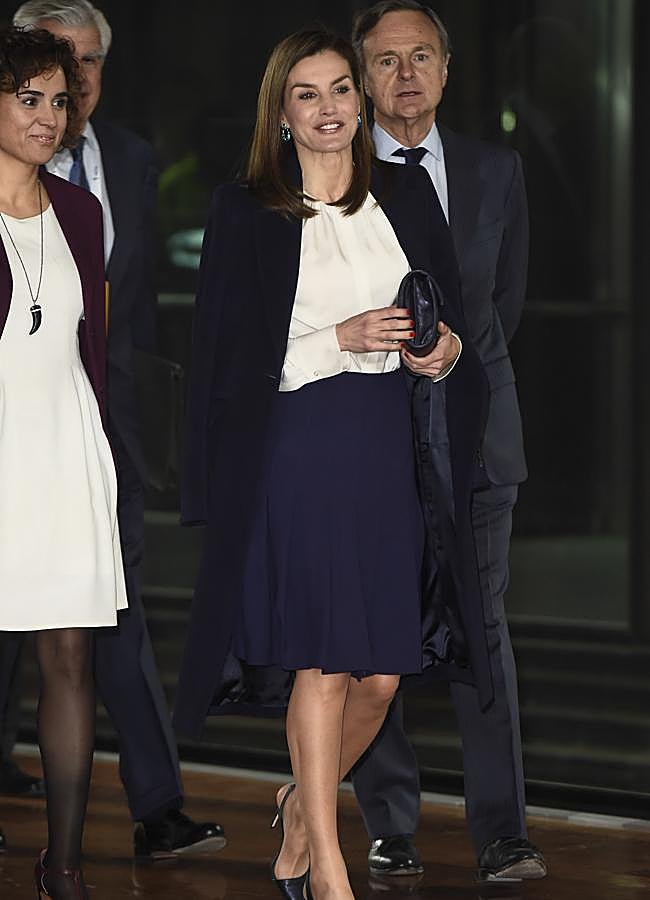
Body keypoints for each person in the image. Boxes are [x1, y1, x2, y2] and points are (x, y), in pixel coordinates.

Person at [173, 26, 492, 900]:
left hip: (389, 446)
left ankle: (299, 811)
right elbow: (228, 362)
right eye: (307, 94)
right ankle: (331, 870)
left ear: (361, 101)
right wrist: (336, 340)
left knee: (382, 674)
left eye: (341, 90)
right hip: (297, 448)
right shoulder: (248, 208)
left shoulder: (407, 198)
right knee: (324, 661)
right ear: (281, 113)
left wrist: (442, 352)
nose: (329, 109)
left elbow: (452, 327)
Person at [7, 0, 224, 859]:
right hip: (9, 440)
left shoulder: (123, 167)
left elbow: (126, 318)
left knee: (111, 618)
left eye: (85, 65)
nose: (70, 85)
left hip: (98, 430)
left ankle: (152, 805)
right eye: (48, 70)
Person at [348, 0, 547, 884]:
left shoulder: (495, 168)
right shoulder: (332, 171)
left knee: (483, 628)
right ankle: (390, 825)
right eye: (386, 60)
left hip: (477, 442)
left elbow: (502, 305)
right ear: (361, 76)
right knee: (380, 633)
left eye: (421, 55)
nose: (406, 74)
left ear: (446, 67)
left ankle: (503, 832)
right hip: (369, 442)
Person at [0, 24, 126, 898]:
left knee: (71, 655)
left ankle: (68, 866)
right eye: (27, 98)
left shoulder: (79, 213)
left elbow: (96, 347)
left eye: (59, 100)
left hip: (64, 447)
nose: (48, 116)